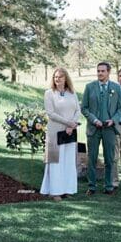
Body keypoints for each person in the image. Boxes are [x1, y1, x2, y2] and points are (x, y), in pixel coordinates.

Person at [81, 61, 121, 196]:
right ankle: (92, 186)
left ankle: (108, 186)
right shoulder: (89, 87)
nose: (100, 73)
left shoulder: (116, 88)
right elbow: (84, 108)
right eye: (98, 71)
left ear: (108, 72)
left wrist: (114, 120)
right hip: (94, 128)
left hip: (109, 129)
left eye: (102, 71)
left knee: (109, 159)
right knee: (92, 158)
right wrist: (94, 120)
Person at [40, 67, 80, 200]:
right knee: (55, 161)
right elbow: (51, 114)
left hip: (70, 132)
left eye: (60, 77)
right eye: (55, 77)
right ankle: (55, 191)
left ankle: (67, 189)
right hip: (55, 131)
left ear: (65, 78)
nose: (57, 79)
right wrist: (68, 123)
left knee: (68, 160)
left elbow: (77, 111)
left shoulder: (72, 93)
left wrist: (72, 124)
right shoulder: (49, 93)